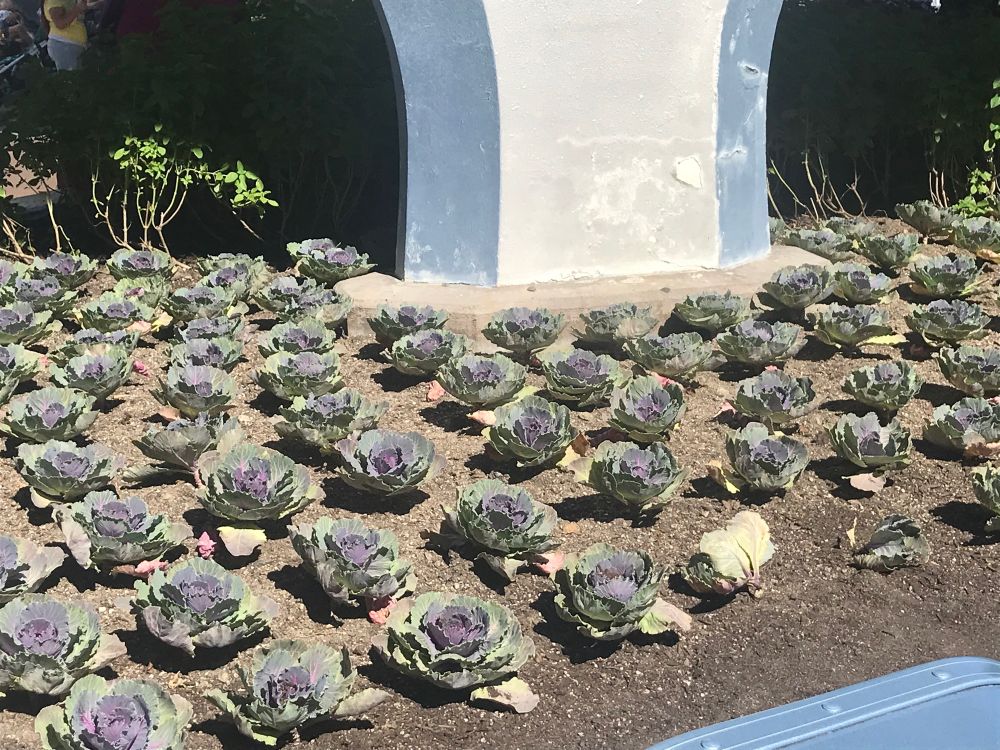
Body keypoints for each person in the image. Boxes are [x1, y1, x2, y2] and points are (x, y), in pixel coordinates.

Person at [42, 0, 99, 70]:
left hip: (74, 45)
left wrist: (97, 4)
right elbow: (60, 23)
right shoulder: (54, 1)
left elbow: (75, 11)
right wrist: (78, 8)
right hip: (65, 46)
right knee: (72, 76)